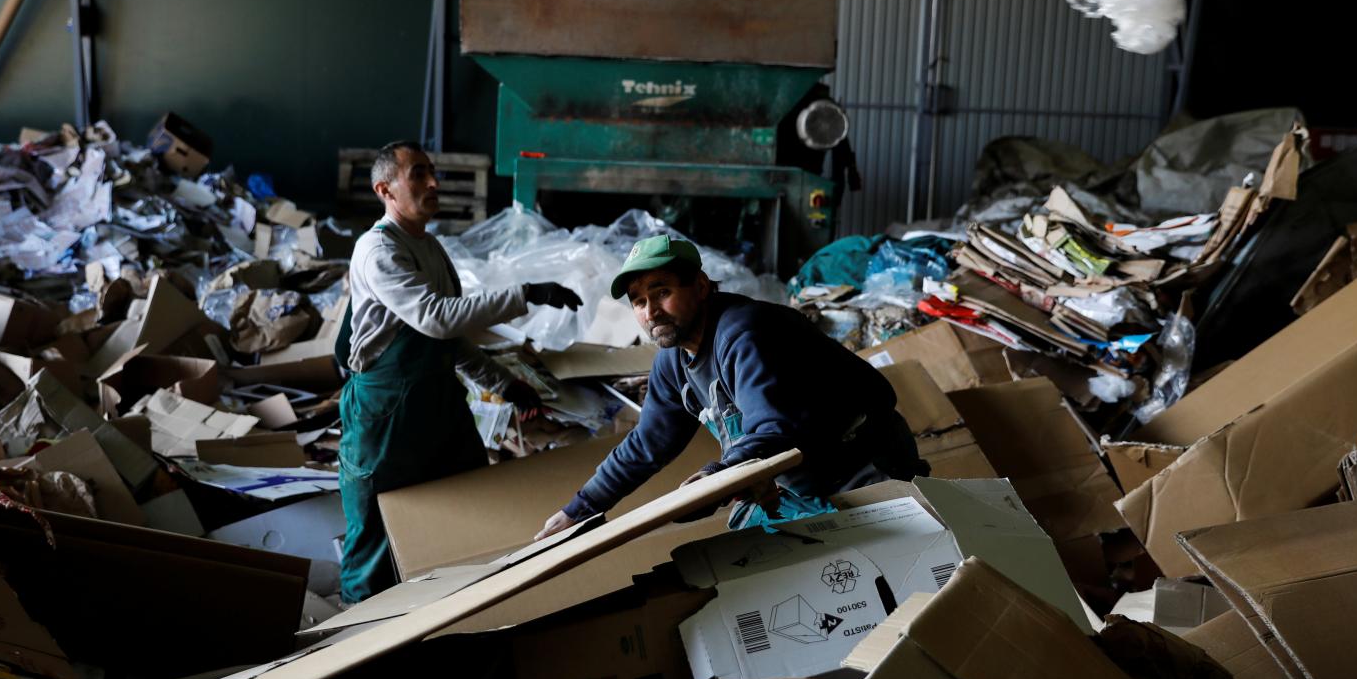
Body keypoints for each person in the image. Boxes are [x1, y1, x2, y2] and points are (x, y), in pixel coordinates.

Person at [535, 234, 925, 541]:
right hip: (798, 479)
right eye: (638, 301)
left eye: (662, 292)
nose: (650, 312)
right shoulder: (672, 361)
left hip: (863, 466)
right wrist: (580, 508)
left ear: (701, 287)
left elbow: (773, 429)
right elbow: (647, 444)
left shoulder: (745, 332)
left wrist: (718, 476)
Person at [336, 141, 581, 602]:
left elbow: (447, 342)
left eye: (433, 172)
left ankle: (466, 610)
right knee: (374, 538)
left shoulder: (431, 247)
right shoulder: (378, 249)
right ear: (385, 189)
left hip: (436, 406)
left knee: (470, 506)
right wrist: (525, 294)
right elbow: (436, 317)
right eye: (419, 175)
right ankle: (355, 647)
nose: (433, 183)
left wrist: (506, 385)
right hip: (385, 414)